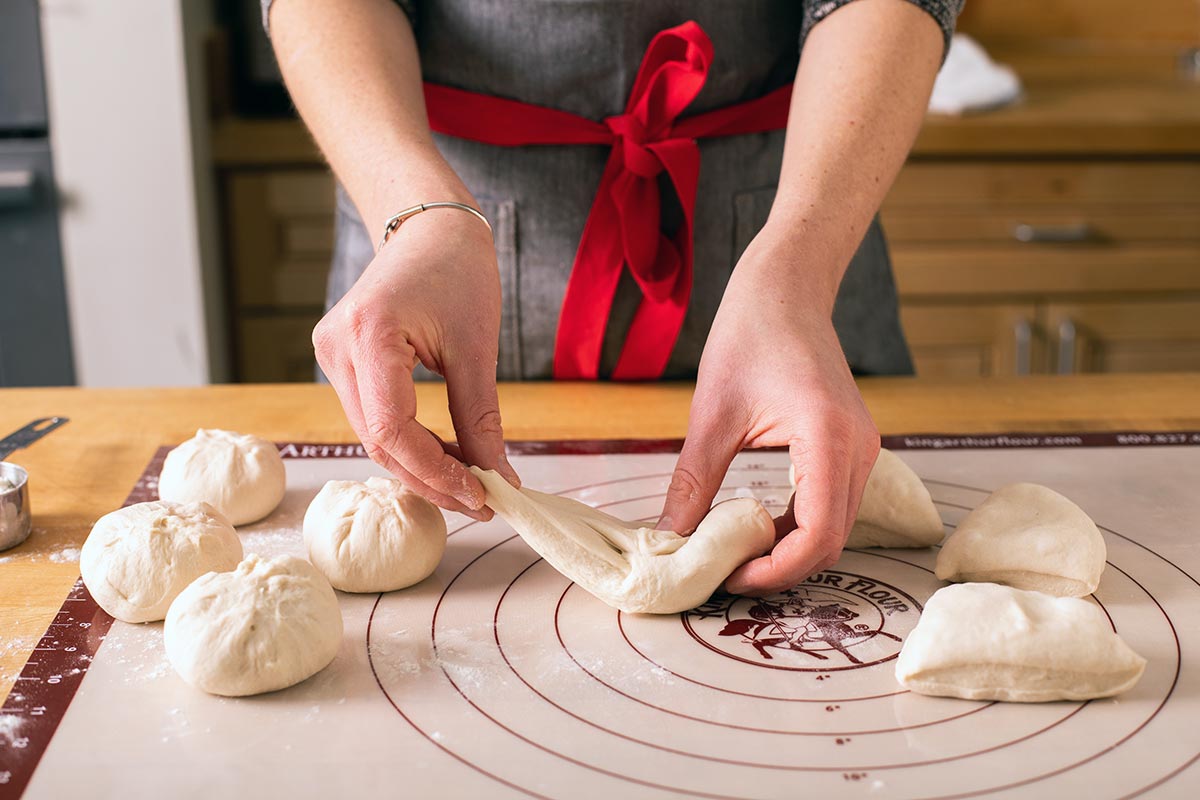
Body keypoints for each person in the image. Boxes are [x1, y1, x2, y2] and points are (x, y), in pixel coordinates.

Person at [264, 0, 961, 596]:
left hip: (803, 223)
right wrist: (415, 212)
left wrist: (798, 275)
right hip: (420, 238)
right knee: (407, 450)